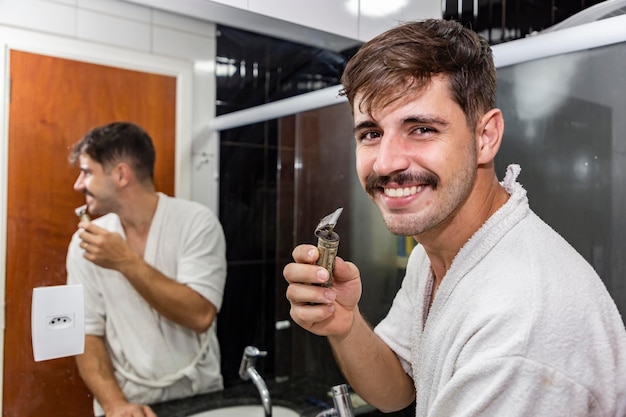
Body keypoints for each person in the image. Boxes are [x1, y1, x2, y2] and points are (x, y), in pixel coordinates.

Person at [283, 19, 626, 417]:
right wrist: (344, 324)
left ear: (485, 137)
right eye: (371, 133)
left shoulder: (520, 330)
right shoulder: (437, 252)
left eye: (422, 128)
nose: (386, 162)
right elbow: (398, 390)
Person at [66, 122, 227, 417]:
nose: (78, 184)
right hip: (127, 403)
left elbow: (200, 314)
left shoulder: (196, 223)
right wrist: (115, 404)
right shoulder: (85, 242)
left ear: (121, 174)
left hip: (197, 398)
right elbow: (86, 333)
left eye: (87, 172)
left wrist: (124, 261)